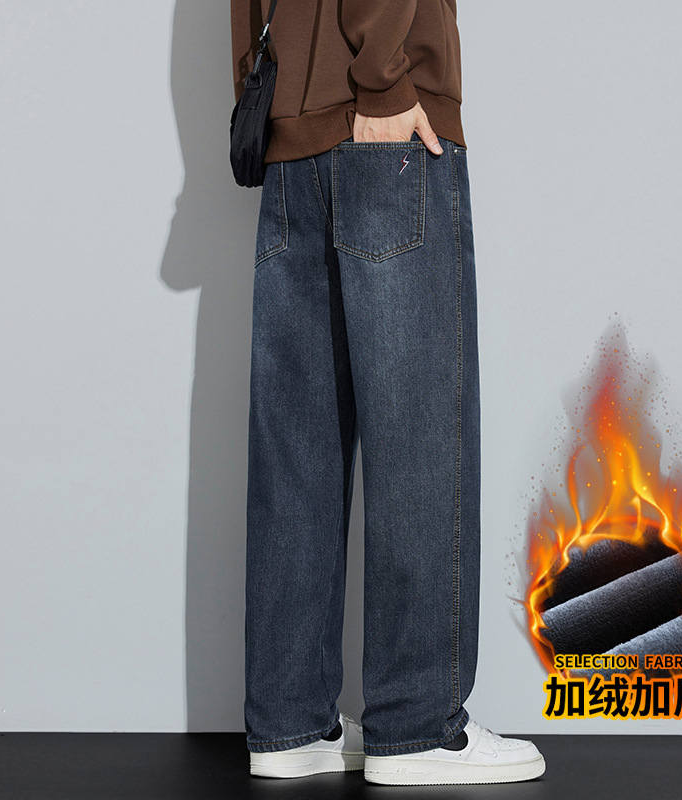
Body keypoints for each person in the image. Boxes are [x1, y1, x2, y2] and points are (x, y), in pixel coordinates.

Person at [230, 0, 545, 786]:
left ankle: (289, 724)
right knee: (419, 435)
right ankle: (416, 728)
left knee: (296, 452)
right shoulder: (385, 94)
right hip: (383, 120)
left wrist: (261, 89)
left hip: (289, 137)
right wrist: (384, 82)